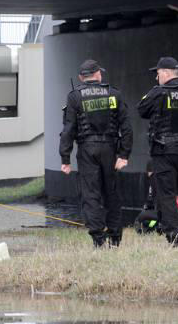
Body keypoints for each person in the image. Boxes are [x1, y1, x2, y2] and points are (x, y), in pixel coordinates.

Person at [59, 59, 133, 248]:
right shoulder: (114, 93)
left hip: (86, 150)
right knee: (112, 193)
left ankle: (98, 240)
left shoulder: (75, 97)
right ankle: (115, 239)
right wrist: (124, 155)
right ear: (98, 74)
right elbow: (126, 128)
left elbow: (68, 129)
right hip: (110, 148)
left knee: (90, 195)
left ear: (81, 78)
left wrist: (65, 158)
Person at [137, 57, 178, 246]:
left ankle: (173, 236)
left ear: (165, 73)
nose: (157, 78)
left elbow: (141, 109)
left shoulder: (158, 92)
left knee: (167, 194)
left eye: (157, 74)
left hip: (164, 152)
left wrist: (155, 92)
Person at [134, 160, 162, 235]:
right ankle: (154, 228)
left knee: (139, 219)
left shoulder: (153, 180)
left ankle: (151, 229)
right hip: (161, 212)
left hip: (158, 212)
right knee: (153, 220)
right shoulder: (161, 180)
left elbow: (152, 197)